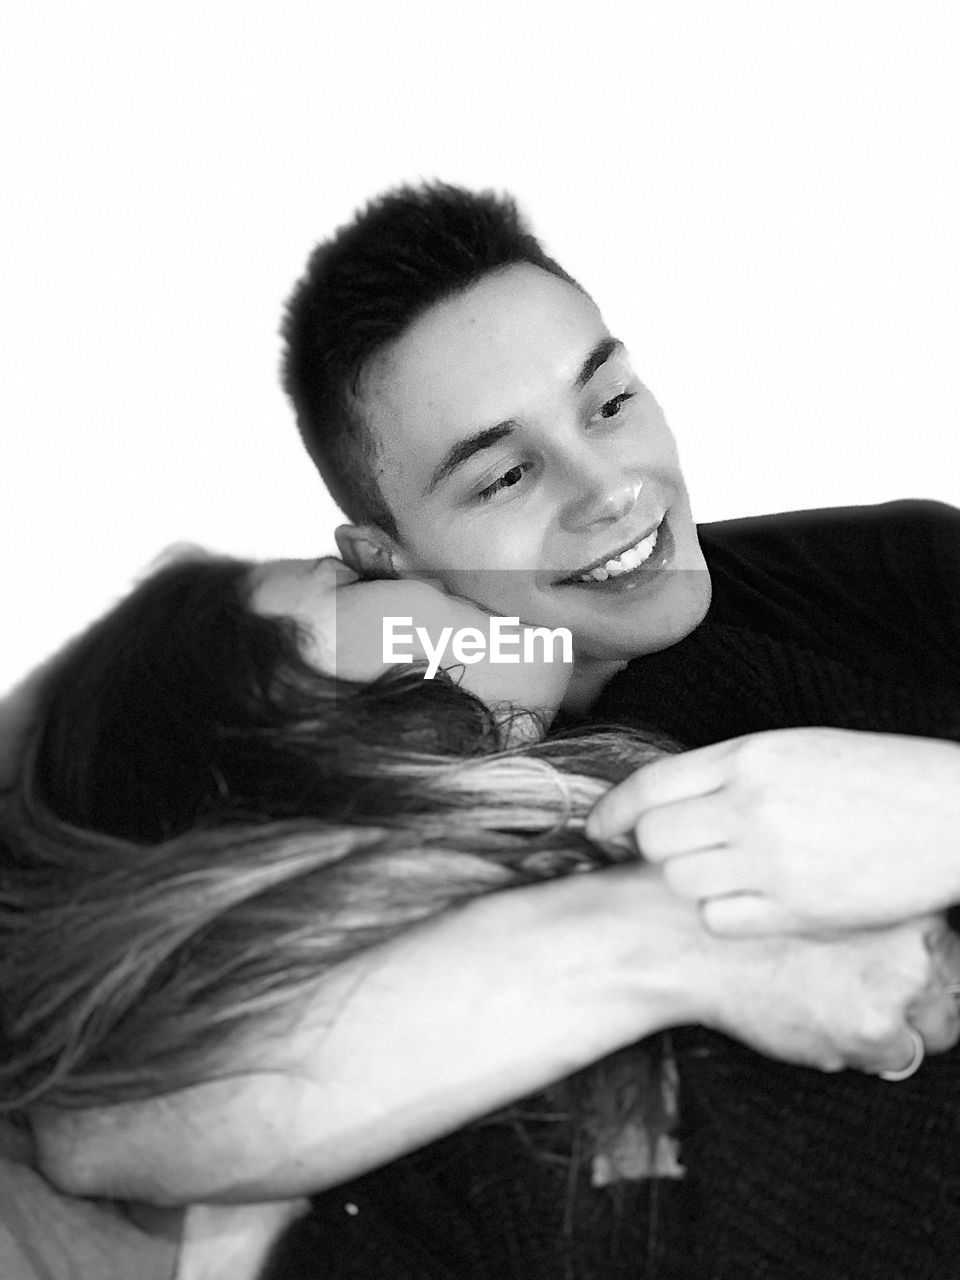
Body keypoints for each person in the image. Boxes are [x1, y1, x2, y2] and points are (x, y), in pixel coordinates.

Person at [276, 182, 960, 1276]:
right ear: (387, 556)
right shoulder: (392, 803)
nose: (611, 489)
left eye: (608, 403)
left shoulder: (892, 579)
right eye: (506, 474)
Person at [3, 549, 956, 1280]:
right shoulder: (428, 1165)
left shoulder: (711, 687)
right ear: (278, 750)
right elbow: (105, 1131)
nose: (400, 569)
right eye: (345, 579)